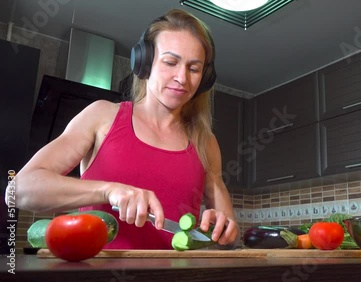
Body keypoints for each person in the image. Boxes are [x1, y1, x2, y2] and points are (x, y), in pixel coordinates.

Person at [7, 9, 240, 249]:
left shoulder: (205, 142)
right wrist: (109, 191)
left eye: (194, 68)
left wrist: (222, 229)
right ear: (144, 63)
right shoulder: (102, 115)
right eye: (170, 62)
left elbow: (231, 239)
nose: (182, 77)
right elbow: (19, 189)